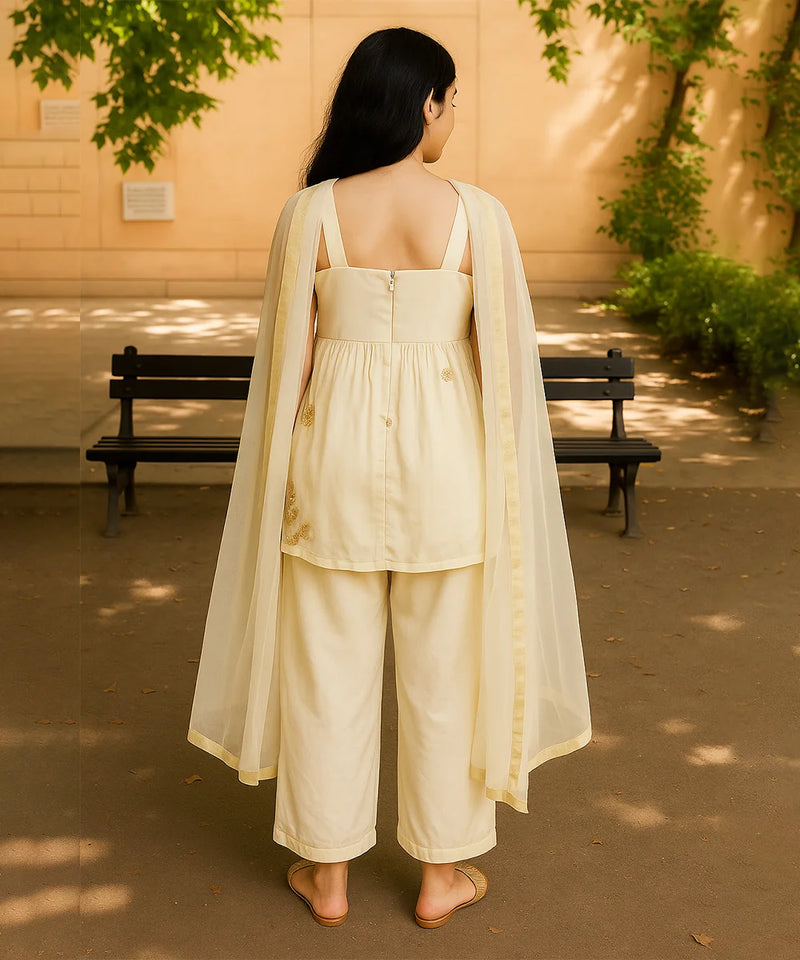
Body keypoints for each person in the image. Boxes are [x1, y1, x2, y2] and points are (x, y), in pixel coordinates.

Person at [187, 26, 592, 930]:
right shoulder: (480, 216)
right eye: (450, 100)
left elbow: (285, 368)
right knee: (447, 675)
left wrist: (276, 479)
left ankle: (326, 878)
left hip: (331, 465)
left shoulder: (311, 213)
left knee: (325, 669)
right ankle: (440, 877)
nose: (453, 116)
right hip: (449, 468)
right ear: (424, 103)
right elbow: (504, 378)